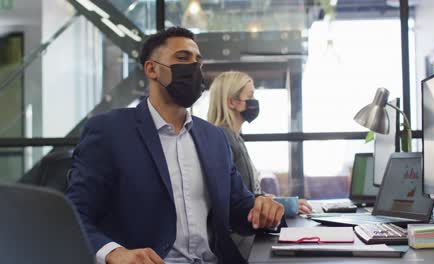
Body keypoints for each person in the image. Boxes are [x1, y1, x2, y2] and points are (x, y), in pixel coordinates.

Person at [66, 27, 284, 264]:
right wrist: (114, 253)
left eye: (197, 61)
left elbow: (240, 209)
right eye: (182, 58)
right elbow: (74, 214)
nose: (193, 67)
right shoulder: (110, 131)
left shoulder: (215, 138)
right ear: (151, 69)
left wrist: (262, 208)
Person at [207, 71, 312, 215]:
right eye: (250, 96)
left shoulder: (234, 138)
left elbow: (251, 193)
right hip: (241, 234)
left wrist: (283, 203)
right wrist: (286, 207)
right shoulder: (226, 138)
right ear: (232, 102)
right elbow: (241, 201)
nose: (254, 100)